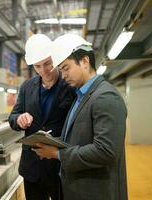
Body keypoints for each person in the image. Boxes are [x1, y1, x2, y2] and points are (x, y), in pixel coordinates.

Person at [32, 34, 128, 200]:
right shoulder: (81, 96)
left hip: (97, 192)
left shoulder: (105, 97)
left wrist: (58, 154)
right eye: (61, 70)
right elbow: (79, 137)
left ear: (84, 61)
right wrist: (51, 141)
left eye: (66, 68)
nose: (63, 76)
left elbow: (106, 151)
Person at [8, 34, 75, 200]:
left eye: (47, 63)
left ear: (55, 58)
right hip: (32, 168)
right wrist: (19, 119)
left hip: (60, 167)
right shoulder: (26, 87)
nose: (44, 70)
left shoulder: (70, 85)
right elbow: (12, 118)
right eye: (38, 66)